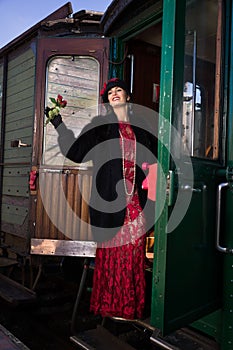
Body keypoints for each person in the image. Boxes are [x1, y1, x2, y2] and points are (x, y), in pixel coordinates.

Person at [45, 78, 157, 320]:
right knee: (113, 255)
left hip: (136, 204)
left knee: (132, 256)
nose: (114, 94)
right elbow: (74, 152)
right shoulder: (100, 127)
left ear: (128, 96)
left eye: (119, 90)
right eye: (110, 93)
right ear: (106, 101)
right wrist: (58, 124)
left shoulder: (143, 129)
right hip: (110, 205)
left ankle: (130, 308)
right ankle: (110, 307)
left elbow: (155, 164)